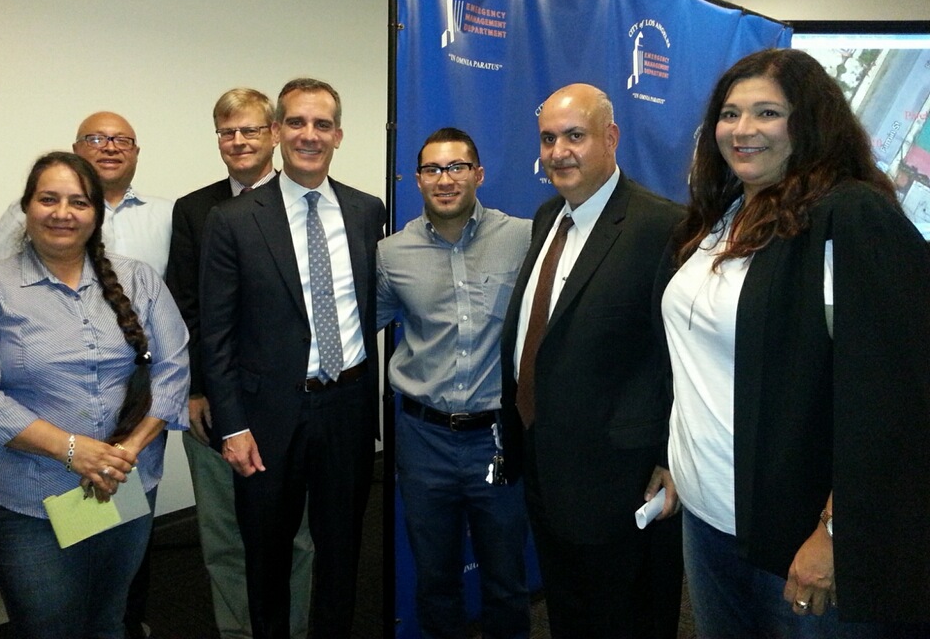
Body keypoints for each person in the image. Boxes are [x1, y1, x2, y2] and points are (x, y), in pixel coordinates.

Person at [661, 47, 930, 637]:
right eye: (730, 114)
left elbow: (899, 403)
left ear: (810, 122)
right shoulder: (723, 215)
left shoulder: (850, 216)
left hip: (797, 537)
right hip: (708, 522)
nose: (742, 129)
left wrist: (836, 534)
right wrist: (679, 455)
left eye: (767, 112)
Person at [0, 152, 190, 639]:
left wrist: (127, 451)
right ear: (26, 208)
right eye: (48, 199)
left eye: (78, 202)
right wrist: (74, 450)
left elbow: (174, 368)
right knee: (50, 626)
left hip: (123, 481)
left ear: (95, 213)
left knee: (108, 617)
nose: (62, 212)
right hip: (27, 497)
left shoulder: (138, 279)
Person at [199, 78, 385, 639]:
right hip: (268, 417)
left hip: (347, 407)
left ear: (338, 135)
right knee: (267, 554)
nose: (310, 135)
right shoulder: (232, 220)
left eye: (322, 124)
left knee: (341, 549)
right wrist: (231, 425)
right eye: (298, 123)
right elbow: (217, 334)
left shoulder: (366, 211)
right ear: (277, 131)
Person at [499, 83, 684, 638]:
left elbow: (679, 357)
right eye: (549, 138)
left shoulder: (662, 227)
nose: (559, 151)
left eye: (575, 136)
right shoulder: (547, 216)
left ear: (611, 137)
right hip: (544, 460)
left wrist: (670, 458)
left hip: (620, 478)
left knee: (624, 617)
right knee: (568, 612)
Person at [166, 88, 313, 639]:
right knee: (224, 532)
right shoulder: (195, 210)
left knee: (294, 533)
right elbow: (187, 308)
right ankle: (237, 631)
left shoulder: (305, 201)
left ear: (274, 134)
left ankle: (294, 629)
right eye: (228, 132)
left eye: (250, 129)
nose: (239, 141)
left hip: (288, 403)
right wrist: (198, 390)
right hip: (216, 401)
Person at [376, 128, 532, 639]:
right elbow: (360, 326)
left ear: (478, 174)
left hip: (496, 440)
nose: (444, 180)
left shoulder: (524, 238)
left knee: (506, 579)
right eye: (432, 170)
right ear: (417, 180)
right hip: (424, 440)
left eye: (457, 167)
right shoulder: (391, 254)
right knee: (435, 577)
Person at [0, 111, 173, 277]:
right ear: (75, 150)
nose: (111, 148)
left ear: (136, 153)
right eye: (96, 139)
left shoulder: (169, 214)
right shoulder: (36, 211)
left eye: (122, 141)